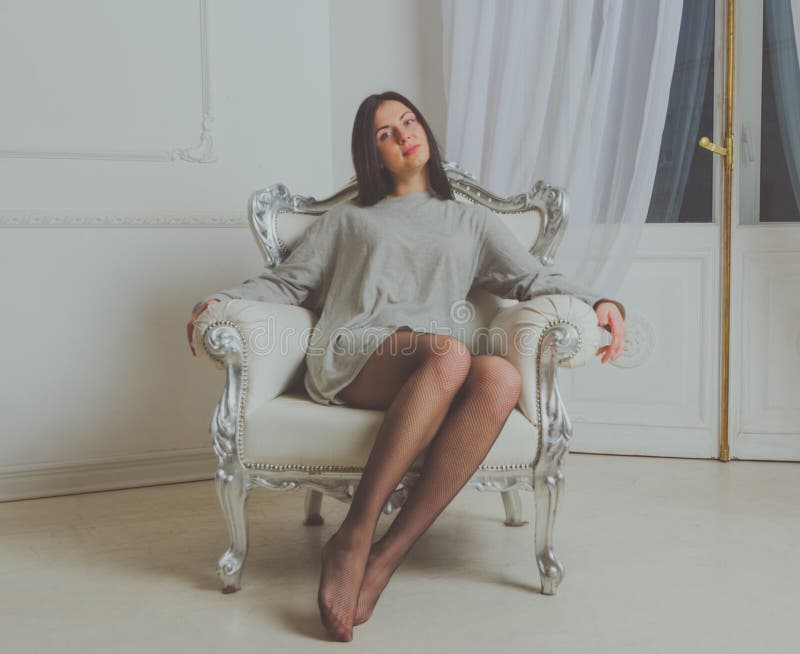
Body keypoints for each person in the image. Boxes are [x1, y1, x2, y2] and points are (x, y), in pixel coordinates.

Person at [187, 90, 626, 642]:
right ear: (372, 156)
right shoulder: (348, 221)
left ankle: (388, 554)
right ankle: (354, 534)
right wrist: (223, 301)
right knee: (451, 354)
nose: (403, 135)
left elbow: (534, 280)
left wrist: (601, 300)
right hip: (356, 353)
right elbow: (286, 282)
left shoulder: (471, 222)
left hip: (438, 363)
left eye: (408, 122)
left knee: (503, 377)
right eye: (385, 134)